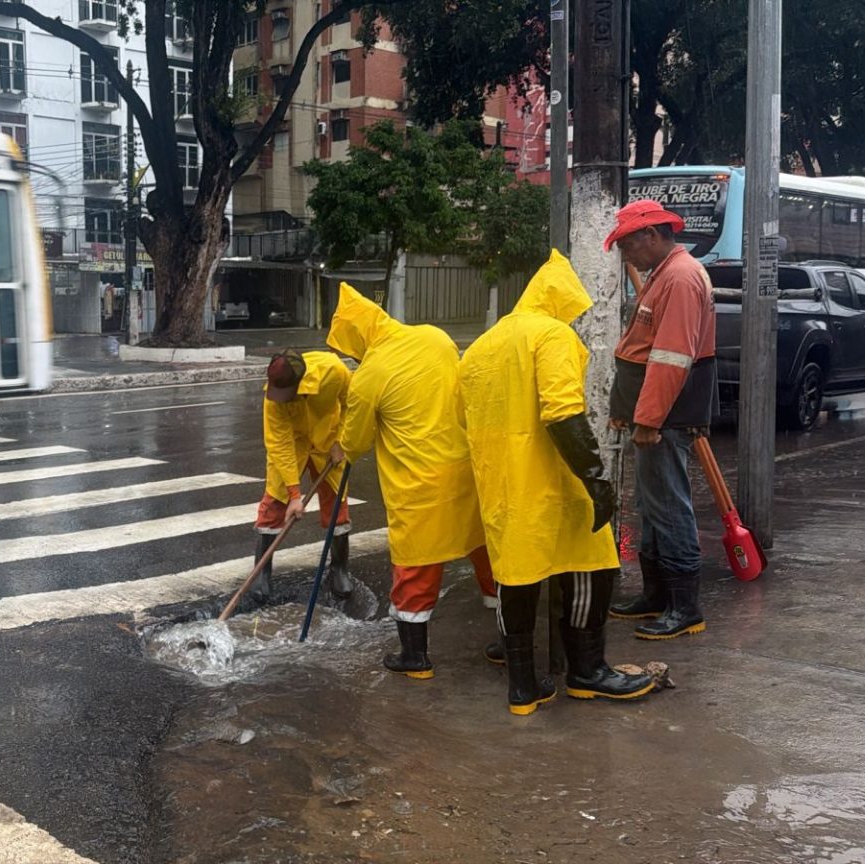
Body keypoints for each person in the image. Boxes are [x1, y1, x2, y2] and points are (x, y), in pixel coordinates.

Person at [457, 251, 656, 715]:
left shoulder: (483, 345)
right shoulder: (551, 334)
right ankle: (588, 672)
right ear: (559, 299)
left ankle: (523, 687)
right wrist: (594, 476)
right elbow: (563, 411)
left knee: (516, 577)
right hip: (552, 478)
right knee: (592, 565)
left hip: (502, 483)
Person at [326, 283, 497, 679]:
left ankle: (415, 658)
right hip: (464, 469)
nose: (351, 355)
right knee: (485, 551)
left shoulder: (370, 374)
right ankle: (509, 642)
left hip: (418, 484)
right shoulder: (435, 337)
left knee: (416, 567)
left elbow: (357, 440)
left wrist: (341, 450)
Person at [603, 200, 718, 640]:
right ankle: (656, 595)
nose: (624, 254)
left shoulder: (680, 278)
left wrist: (648, 420)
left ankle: (684, 606)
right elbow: (641, 348)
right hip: (653, 415)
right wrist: (625, 410)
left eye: (627, 244)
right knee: (651, 506)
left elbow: (671, 359)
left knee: (668, 506)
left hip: (665, 418)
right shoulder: (665, 274)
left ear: (652, 235)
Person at [248, 350, 356, 605]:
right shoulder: (273, 396)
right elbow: (279, 443)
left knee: (336, 501)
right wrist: (295, 495)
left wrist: (343, 440)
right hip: (293, 445)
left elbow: (353, 404)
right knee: (275, 501)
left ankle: (339, 568)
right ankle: (261, 573)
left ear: (301, 383)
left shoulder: (335, 372)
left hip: (328, 442)